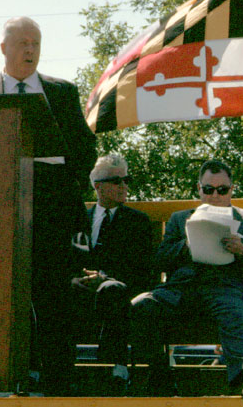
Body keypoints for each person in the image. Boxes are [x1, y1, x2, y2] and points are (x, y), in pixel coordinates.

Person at [0, 16, 97, 395]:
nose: (30, 49)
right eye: (22, 42)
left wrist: (57, 181)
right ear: (3, 48)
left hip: (50, 216)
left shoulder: (61, 93)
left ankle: (59, 389)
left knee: (53, 304)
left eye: (36, 43)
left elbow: (84, 148)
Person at [129, 160, 243, 397]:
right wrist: (186, 244)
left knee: (233, 312)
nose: (215, 195)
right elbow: (161, 259)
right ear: (199, 189)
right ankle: (159, 377)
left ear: (231, 189)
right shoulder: (179, 219)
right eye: (209, 189)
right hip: (181, 292)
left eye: (222, 190)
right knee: (142, 305)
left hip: (226, 290)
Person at [70, 154, 153, 395]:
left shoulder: (138, 222)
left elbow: (143, 269)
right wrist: (76, 278)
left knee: (112, 291)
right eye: (118, 181)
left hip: (121, 289)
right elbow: (70, 259)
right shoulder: (80, 220)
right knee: (52, 290)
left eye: (127, 180)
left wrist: (105, 278)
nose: (124, 186)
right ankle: (50, 372)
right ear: (98, 186)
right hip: (83, 289)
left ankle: (114, 369)